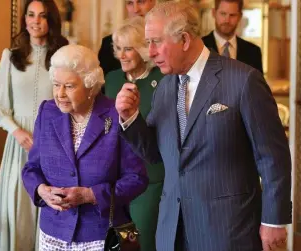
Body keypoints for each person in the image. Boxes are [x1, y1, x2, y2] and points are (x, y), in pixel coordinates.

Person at [115, 2, 291, 251]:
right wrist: (130, 118)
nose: (150, 52)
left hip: (228, 230)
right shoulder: (164, 88)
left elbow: (273, 158)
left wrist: (274, 220)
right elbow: (155, 154)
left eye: (156, 42)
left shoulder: (244, 81)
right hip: (171, 231)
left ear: (184, 39)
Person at [21, 44, 148, 250]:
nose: (60, 94)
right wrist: (40, 190)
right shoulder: (47, 112)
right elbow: (31, 168)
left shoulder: (115, 115)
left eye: (69, 86)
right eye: (56, 85)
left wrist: (90, 195)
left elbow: (137, 179)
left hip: (102, 236)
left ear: (90, 85)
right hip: (53, 233)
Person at [0, 0, 68, 250]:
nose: (35, 21)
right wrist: (16, 130)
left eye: (42, 16)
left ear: (51, 20)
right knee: (19, 208)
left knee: (48, 208)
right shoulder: (11, 56)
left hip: (54, 143)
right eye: (30, 15)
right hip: (19, 143)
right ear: (24, 19)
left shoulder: (63, 55)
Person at [104, 16, 164, 251]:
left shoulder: (162, 79)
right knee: (125, 243)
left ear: (143, 49)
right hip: (117, 182)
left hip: (150, 179)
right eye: (118, 48)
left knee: (144, 242)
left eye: (128, 48)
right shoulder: (111, 79)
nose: (122, 55)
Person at [202, 0, 263, 73]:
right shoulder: (200, 47)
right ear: (214, 13)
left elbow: (257, 84)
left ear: (240, 16)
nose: (227, 20)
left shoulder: (253, 52)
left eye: (232, 15)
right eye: (223, 14)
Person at [98, 0, 156, 76]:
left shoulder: (166, 40)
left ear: (153, 2)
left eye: (141, 2)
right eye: (130, 3)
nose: (136, 10)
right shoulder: (108, 44)